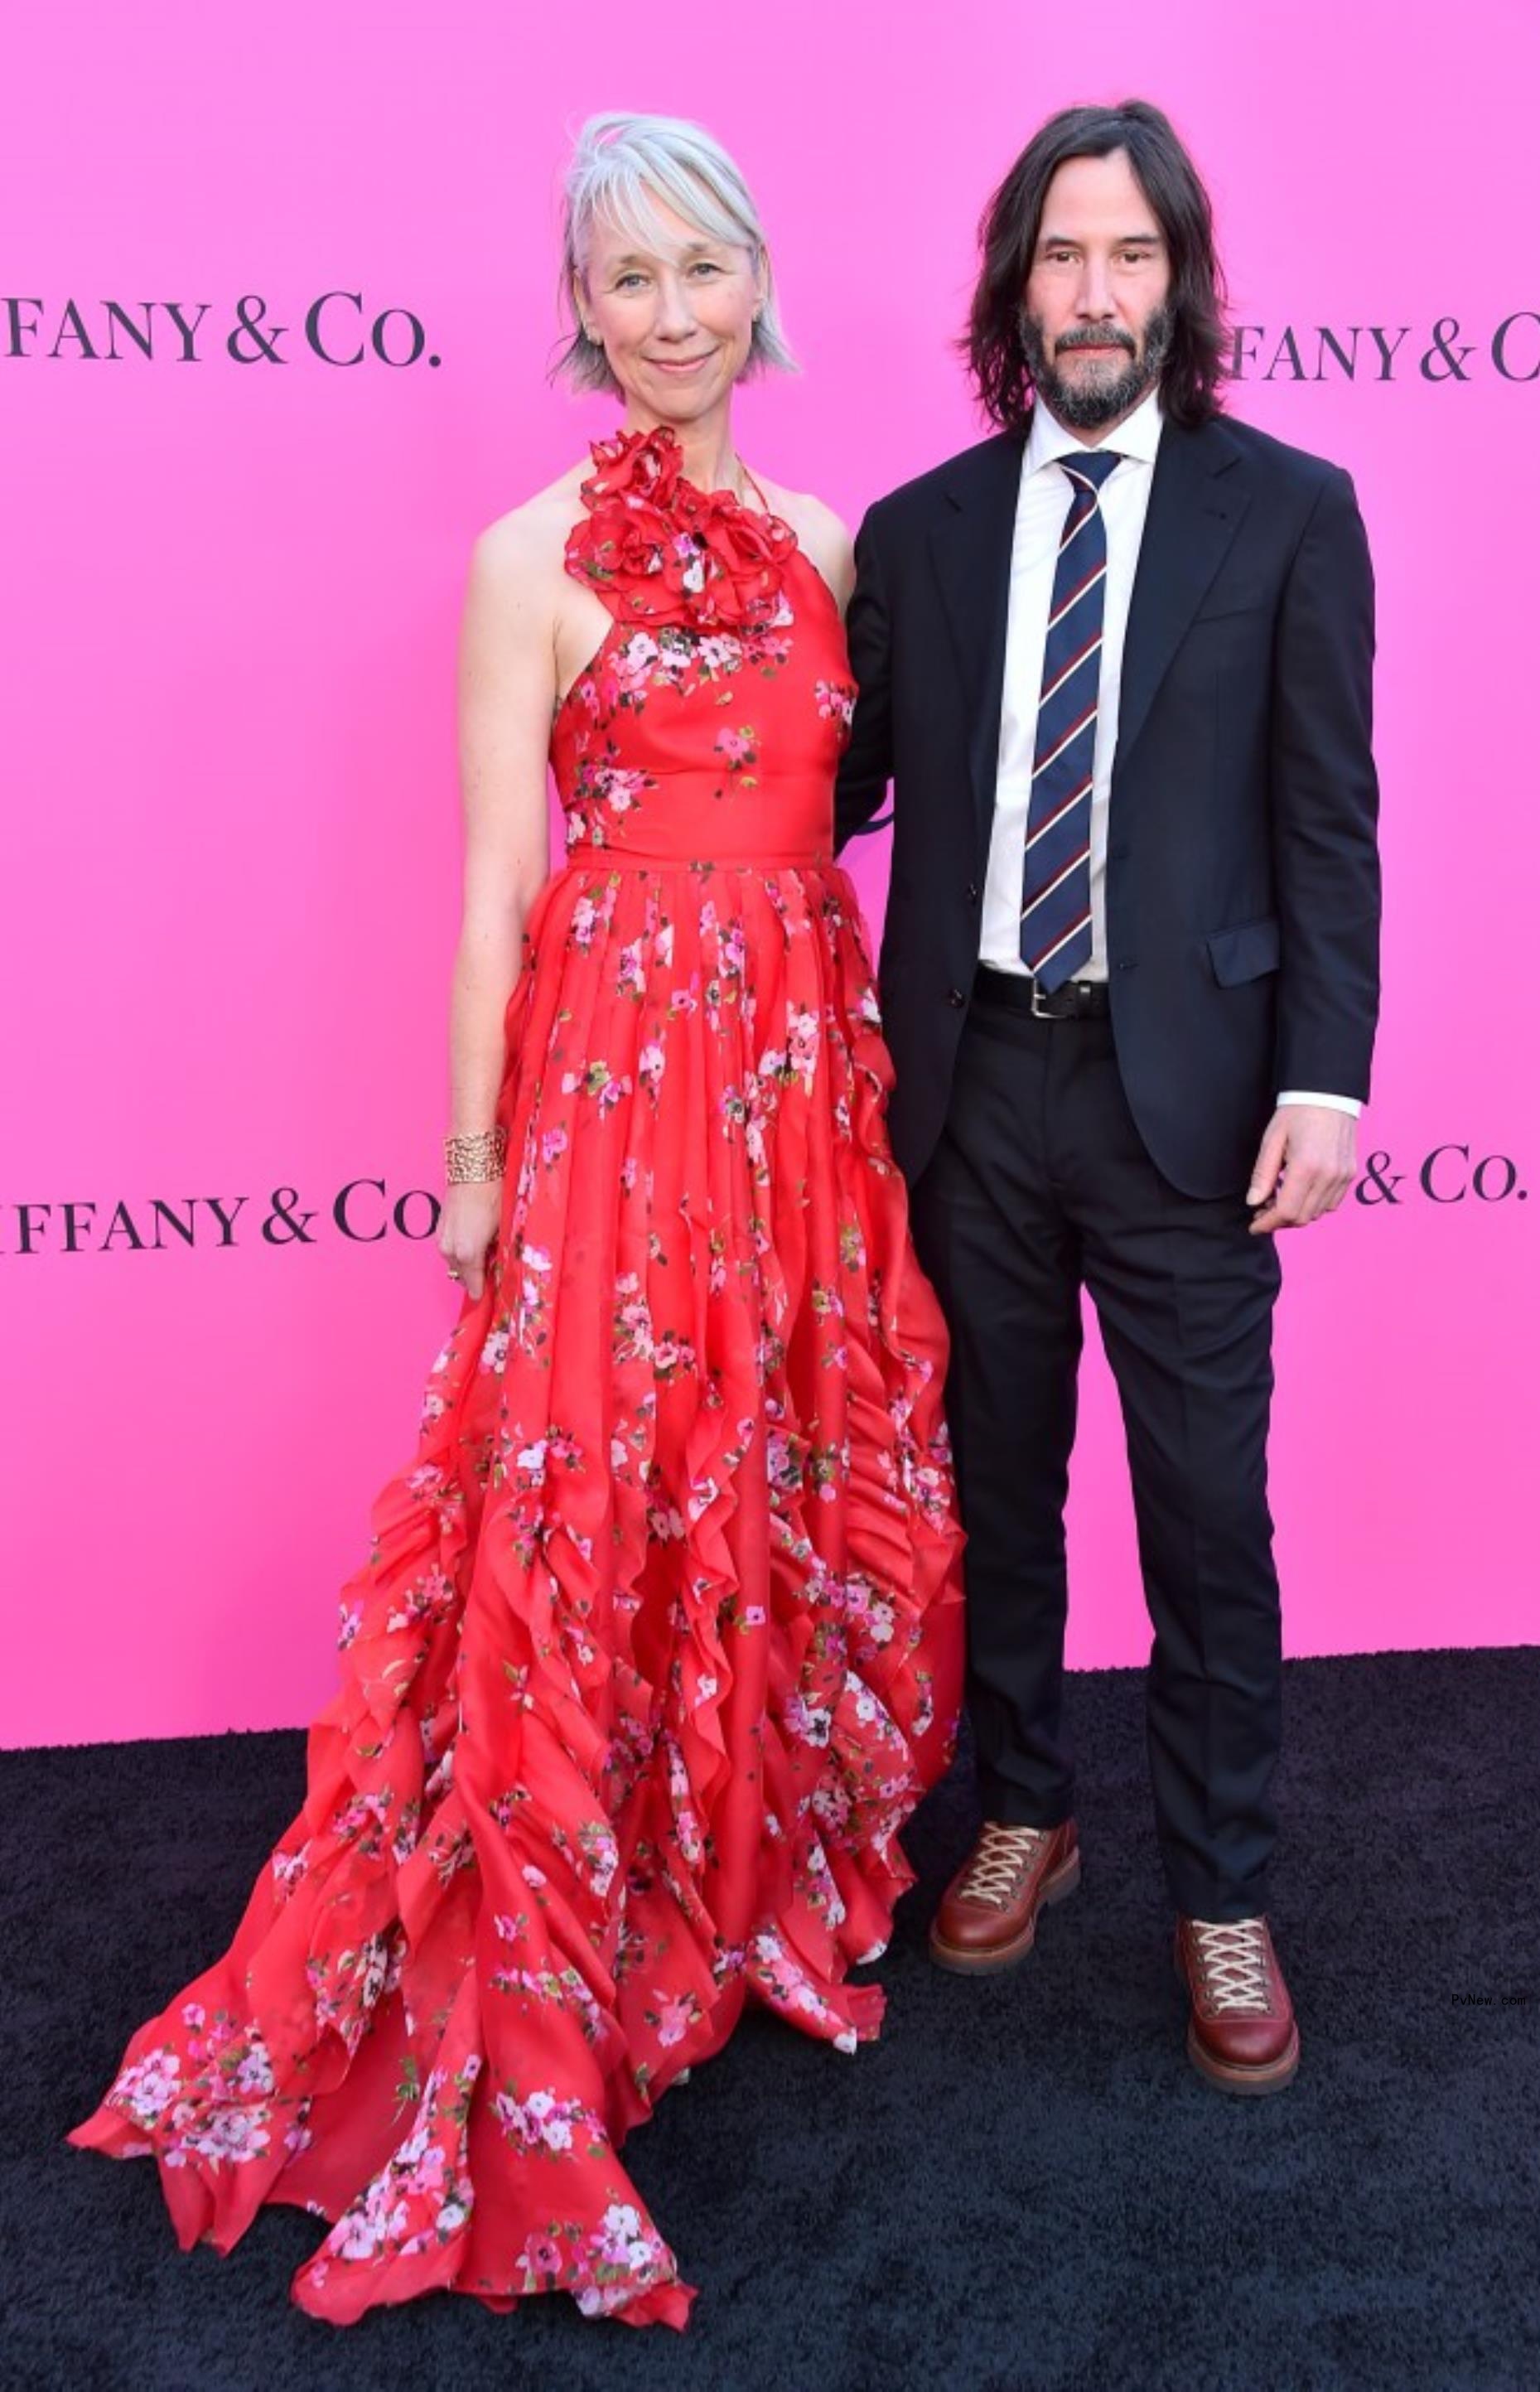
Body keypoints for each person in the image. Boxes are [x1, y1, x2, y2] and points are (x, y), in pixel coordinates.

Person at [70, 112, 963, 2325]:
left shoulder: (840, 542)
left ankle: (730, 1877)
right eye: (625, 278)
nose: (669, 313)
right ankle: (556, 1928)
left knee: (761, 1478)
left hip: (798, 1088)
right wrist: (478, 1168)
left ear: (763, 278)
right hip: (615, 1087)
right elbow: (492, 884)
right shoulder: (526, 551)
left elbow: (846, 826)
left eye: (700, 269)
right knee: (586, 1509)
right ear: (582, 309)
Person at [837, 100, 1378, 2095]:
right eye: (1062, 258)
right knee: (1001, 1493)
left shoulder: (1292, 512)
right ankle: (1023, 1804)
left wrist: (1324, 1076)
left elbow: (1329, 820)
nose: (1093, 293)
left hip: (1197, 1111)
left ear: (1180, 283)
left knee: (1206, 1515)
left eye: (1129, 257)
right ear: (1014, 288)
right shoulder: (917, 532)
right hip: (974, 1088)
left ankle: (1222, 1887)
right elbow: (832, 784)